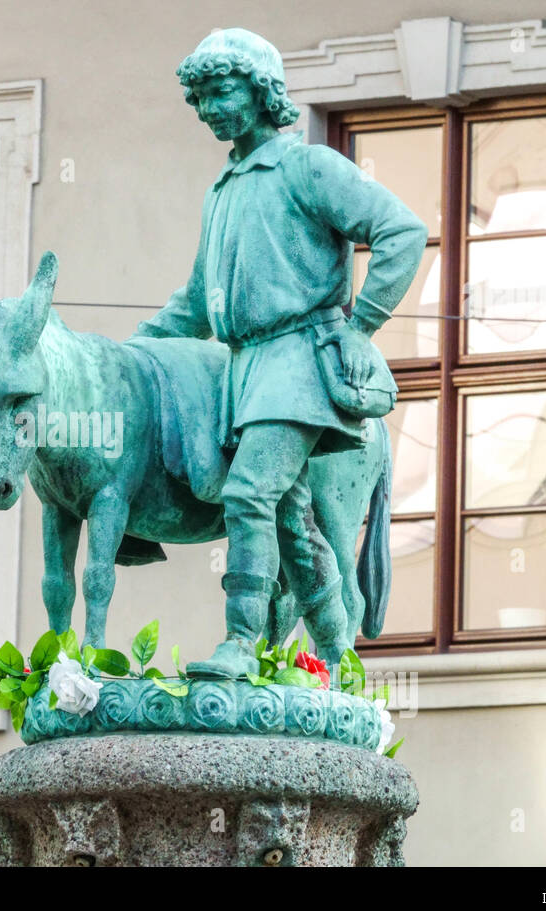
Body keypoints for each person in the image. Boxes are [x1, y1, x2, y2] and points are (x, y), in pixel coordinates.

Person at [131, 28, 427, 677]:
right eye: (201, 98)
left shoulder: (306, 167)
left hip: (299, 361)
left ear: (262, 90)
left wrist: (360, 327)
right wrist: (127, 356)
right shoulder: (225, 188)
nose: (210, 110)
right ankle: (337, 649)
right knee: (294, 526)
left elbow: (402, 231)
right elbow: (194, 303)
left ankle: (240, 640)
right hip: (245, 371)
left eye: (222, 92)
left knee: (248, 493)